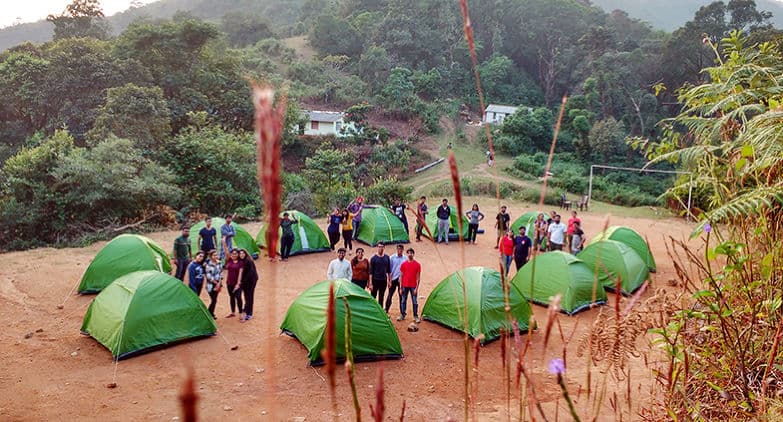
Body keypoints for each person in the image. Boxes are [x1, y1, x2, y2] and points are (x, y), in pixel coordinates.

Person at [398, 248, 422, 323]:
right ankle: (402, 315)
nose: (410, 254)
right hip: (405, 285)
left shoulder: (417, 265)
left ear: (413, 254)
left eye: (411, 253)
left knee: (415, 302)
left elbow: (418, 277)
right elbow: (401, 277)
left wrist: (416, 288)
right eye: (408, 253)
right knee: (403, 301)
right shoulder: (403, 265)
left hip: (413, 286)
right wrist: (400, 288)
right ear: (407, 254)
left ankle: (415, 316)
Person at [369, 242, 391, 306]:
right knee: (373, 296)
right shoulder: (373, 258)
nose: (380, 248)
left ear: (384, 247)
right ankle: (372, 310)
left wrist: (389, 281)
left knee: (381, 296)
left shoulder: (387, 257)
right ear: (377, 247)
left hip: (383, 280)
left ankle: (380, 311)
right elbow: (371, 272)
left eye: (382, 247)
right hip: (375, 280)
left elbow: (389, 270)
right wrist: (370, 283)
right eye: (379, 247)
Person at [239, 249, 258, 321]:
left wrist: (242, 282)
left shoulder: (248, 261)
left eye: (243, 253)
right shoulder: (242, 261)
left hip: (251, 281)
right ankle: (247, 308)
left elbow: (250, 274)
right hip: (245, 282)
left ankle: (249, 313)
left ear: (245, 254)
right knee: (246, 296)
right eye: (240, 254)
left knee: (250, 296)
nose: (241, 255)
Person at [386, 244, 406, 314]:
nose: (399, 251)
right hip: (393, 278)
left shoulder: (405, 259)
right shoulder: (392, 258)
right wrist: (389, 280)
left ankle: (402, 312)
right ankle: (386, 309)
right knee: (390, 295)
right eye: (398, 249)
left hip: (402, 280)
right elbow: (389, 270)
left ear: (403, 250)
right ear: (396, 249)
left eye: (401, 249)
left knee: (401, 296)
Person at [224, 249, 244, 318]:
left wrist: (238, 284)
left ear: (238, 254)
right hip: (229, 283)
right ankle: (232, 312)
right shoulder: (229, 260)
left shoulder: (240, 262)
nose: (234, 255)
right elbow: (226, 252)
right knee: (231, 297)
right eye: (233, 253)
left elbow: (240, 273)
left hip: (237, 284)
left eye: (235, 253)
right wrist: (224, 242)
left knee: (238, 297)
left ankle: (241, 313)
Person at [204, 250, 223, 319]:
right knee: (214, 299)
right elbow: (209, 276)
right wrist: (216, 283)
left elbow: (221, 273)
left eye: (216, 255)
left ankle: (211, 313)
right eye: (214, 255)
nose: (216, 256)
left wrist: (219, 283)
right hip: (211, 285)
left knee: (215, 299)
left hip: (218, 283)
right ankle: (209, 313)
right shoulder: (208, 265)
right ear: (211, 256)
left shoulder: (219, 263)